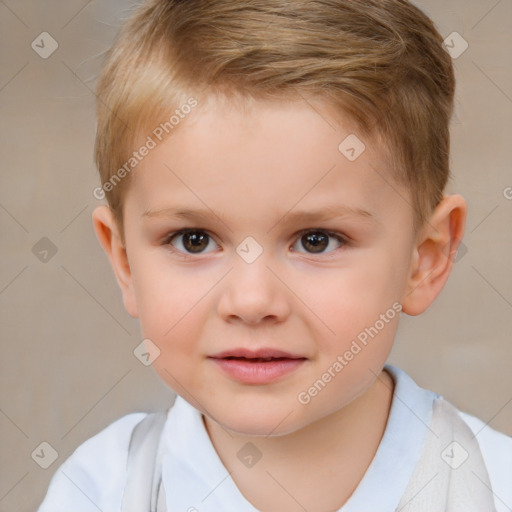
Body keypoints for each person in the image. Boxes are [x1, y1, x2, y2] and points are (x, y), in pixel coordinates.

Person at [38, 0, 512, 511]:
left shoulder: (491, 486)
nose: (251, 300)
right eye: (194, 240)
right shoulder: (98, 492)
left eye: (316, 240)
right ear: (125, 261)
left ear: (425, 257)